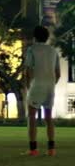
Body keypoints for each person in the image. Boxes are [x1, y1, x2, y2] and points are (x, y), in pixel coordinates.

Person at [23, 26, 60, 156]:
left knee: (32, 116)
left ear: (35, 37)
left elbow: (28, 71)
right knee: (49, 117)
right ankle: (51, 149)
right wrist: (51, 84)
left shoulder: (31, 49)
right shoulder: (53, 51)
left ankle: (33, 149)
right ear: (47, 37)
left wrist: (29, 86)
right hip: (50, 87)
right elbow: (58, 73)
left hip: (36, 86)